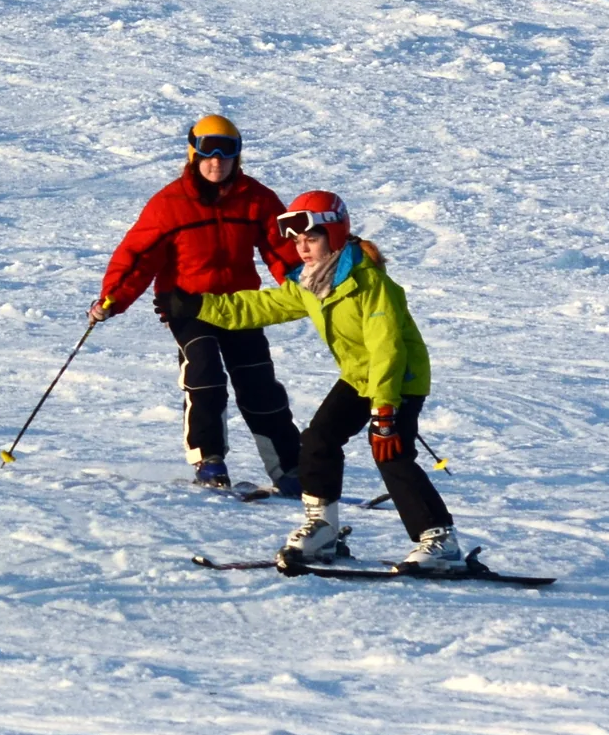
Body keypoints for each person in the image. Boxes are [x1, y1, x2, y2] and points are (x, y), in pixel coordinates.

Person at [200, 192, 464, 573]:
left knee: (390, 451)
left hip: (397, 379)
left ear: (336, 235)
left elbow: (387, 347)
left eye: (312, 239)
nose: (303, 249)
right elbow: (263, 306)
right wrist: (201, 307)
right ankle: (323, 529)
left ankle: (440, 540)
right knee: (318, 440)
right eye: (298, 242)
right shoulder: (313, 283)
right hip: (358, 376)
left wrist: (386, 408)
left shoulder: (369, 284)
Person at [91, 115, 304, 493]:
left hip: (240, 305)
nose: (217, 163)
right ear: (193, 155)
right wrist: (113, 298)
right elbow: (138, 257)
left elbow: (281, 250)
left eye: (226, 156)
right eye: (208, 155)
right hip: (187, 304)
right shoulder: (170, 204)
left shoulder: (257, 199)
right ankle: (209, 459)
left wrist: (309, 286)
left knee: (259, 386)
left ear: (237, 158)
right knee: (204, 374)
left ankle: (290, 468)